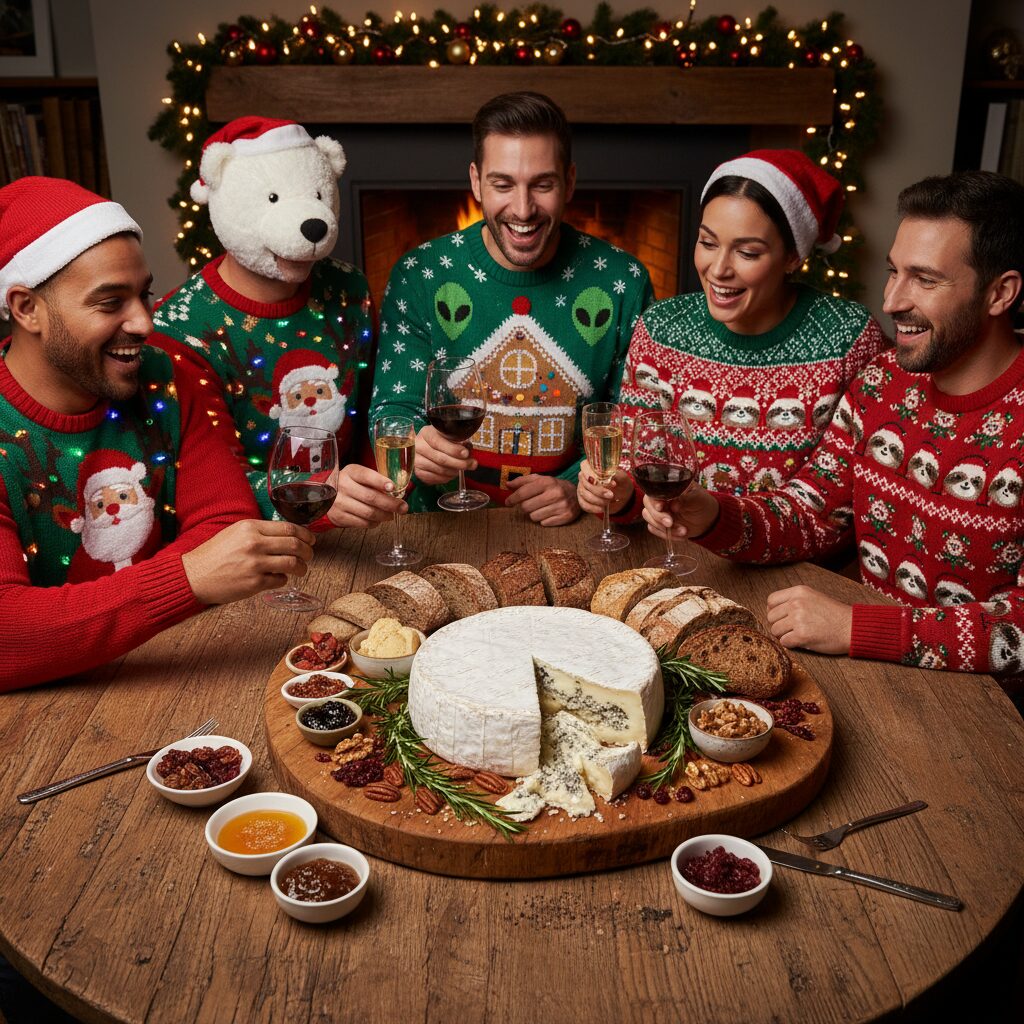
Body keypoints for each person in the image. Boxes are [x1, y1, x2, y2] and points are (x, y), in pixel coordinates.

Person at [0, 178, 389, 692]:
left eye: (144, 294)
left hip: (169, 670)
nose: (144, 321)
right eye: (110, 302)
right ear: (27, 309)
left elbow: (225, 522)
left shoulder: (162, 376)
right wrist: (185, 579)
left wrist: (76, 623)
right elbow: (9, 637)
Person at [642, 170, 1024, 675]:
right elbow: (811, 514)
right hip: (872, 671)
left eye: (925, 280)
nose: (892, 301)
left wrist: (854, 627)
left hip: (985, 710)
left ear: (1001, 294)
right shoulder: (883, 382)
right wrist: (713, 515)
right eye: (894, 272)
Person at [369, 91, 654, 525]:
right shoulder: (419, 274)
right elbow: (392, 407)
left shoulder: (624, 282)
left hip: (567, 529)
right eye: (502, 184)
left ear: (570, 182)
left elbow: (636, 422)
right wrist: (416, 443)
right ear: (475, 181)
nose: (523, 209)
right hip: (439, 526)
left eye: (542, 184)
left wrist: (579, 485)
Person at [578, 149, 887, 519]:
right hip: (678, 554)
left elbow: (840, 504)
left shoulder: (847, 337)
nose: (718, 270)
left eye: (748, 252)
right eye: (708, 243)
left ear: (793, 257)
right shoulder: (660, 329)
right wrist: (619, 496)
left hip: (798, 568)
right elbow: (637, 472)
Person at [150, 116, 379, 519]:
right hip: (252, 537)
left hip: (358, 523)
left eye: (318, 196)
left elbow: (371, 417)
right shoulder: (181, 326)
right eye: (274, 199)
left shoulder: (349, 290)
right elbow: (211, 479)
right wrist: (318, 493)